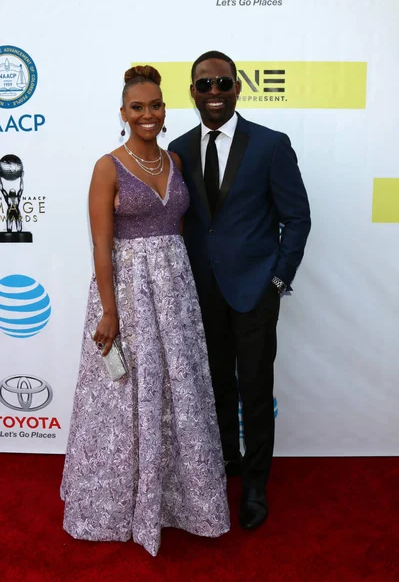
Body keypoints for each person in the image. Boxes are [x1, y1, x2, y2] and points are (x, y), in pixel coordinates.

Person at [61, 65, 230, 557]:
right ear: (123, 113)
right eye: (138, 107)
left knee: (179, 392)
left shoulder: (175, 160)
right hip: (129, 293)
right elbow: (100, 247)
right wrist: (109, 312)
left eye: (155, 105)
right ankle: (119, 504)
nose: (148, 114)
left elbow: (179, 230)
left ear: (164, 107)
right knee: (127, 395)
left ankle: (180, 502)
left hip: (175, 293)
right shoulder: (107, 167)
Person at [169, 51, 311, 531]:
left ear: (237, 88)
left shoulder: (270, 145)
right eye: (204, 85)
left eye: (223, 83)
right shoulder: (180, 149)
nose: (214, 93)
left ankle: (255, 486)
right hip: (201, 291)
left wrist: (277, 280)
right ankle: (225, 462)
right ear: (192, 92)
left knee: (254, 388)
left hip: (255, 291)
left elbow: (297, 218)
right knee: (214, 387)